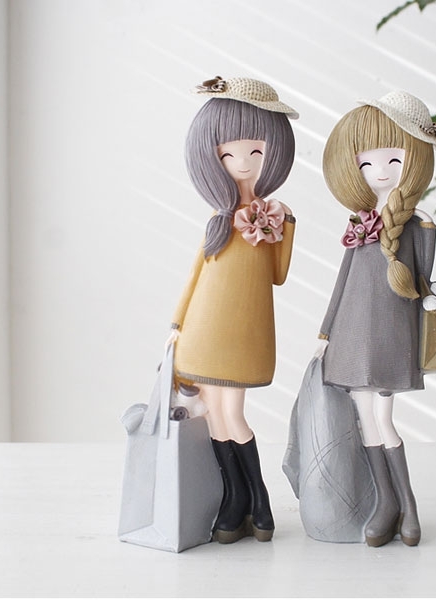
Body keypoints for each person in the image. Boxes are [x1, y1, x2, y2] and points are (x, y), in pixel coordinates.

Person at [316, 91, 436, 547]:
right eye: (367, 163)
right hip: (351, 335)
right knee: (366, 418)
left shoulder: (418, 225)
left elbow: (423, 279)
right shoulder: (360, 225)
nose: (380, 171)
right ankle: (386, 505)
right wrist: (325, 332)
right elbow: (343, 283)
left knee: (384, 418)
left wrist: (431, 296)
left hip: (392, 334)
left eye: (393, 160)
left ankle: (408, 508)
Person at [168, 76, 298, 544]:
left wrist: (283, 227)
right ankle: (235, 500)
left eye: (255, 152)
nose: (242, 162)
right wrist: (177, 324)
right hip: (202, 331)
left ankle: (260, 502)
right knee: (214, 417)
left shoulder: (275, 218)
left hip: (243, 333)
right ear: (213, 159)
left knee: (233, 414)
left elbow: (278, 275)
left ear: (274, 153)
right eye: (228, 155)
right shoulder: (218, 222)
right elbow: (195, 276)